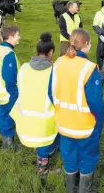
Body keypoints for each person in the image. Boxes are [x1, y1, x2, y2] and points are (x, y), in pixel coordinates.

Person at [51, 29, 104, 192]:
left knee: (69, 155)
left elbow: (50, 92)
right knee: (88, 157)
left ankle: (72, 188)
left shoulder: (58, 62)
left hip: (63, 122)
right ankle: (84, 189)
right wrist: (100, 120)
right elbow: (96, 101)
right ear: (87, 45)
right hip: (85, 125)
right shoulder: (89, 68)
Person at [10, 32, 60, 176]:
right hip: (44, 118)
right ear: (51, 52)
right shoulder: (54, 70)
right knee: (45, 142)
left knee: (41, 141)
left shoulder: (24, 67)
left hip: (24, 115)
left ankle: (42, 157)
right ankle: (42, 169)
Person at [0, 25, 21, 149]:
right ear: (11, 36)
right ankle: (8, 144)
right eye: (18, 35)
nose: (19, 38)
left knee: (3, 114)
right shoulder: (8, 54)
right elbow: (9, 77)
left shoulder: (1, 50)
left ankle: (5, 140)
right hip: (7, 92)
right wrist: (14, 94)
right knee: (8, 116)